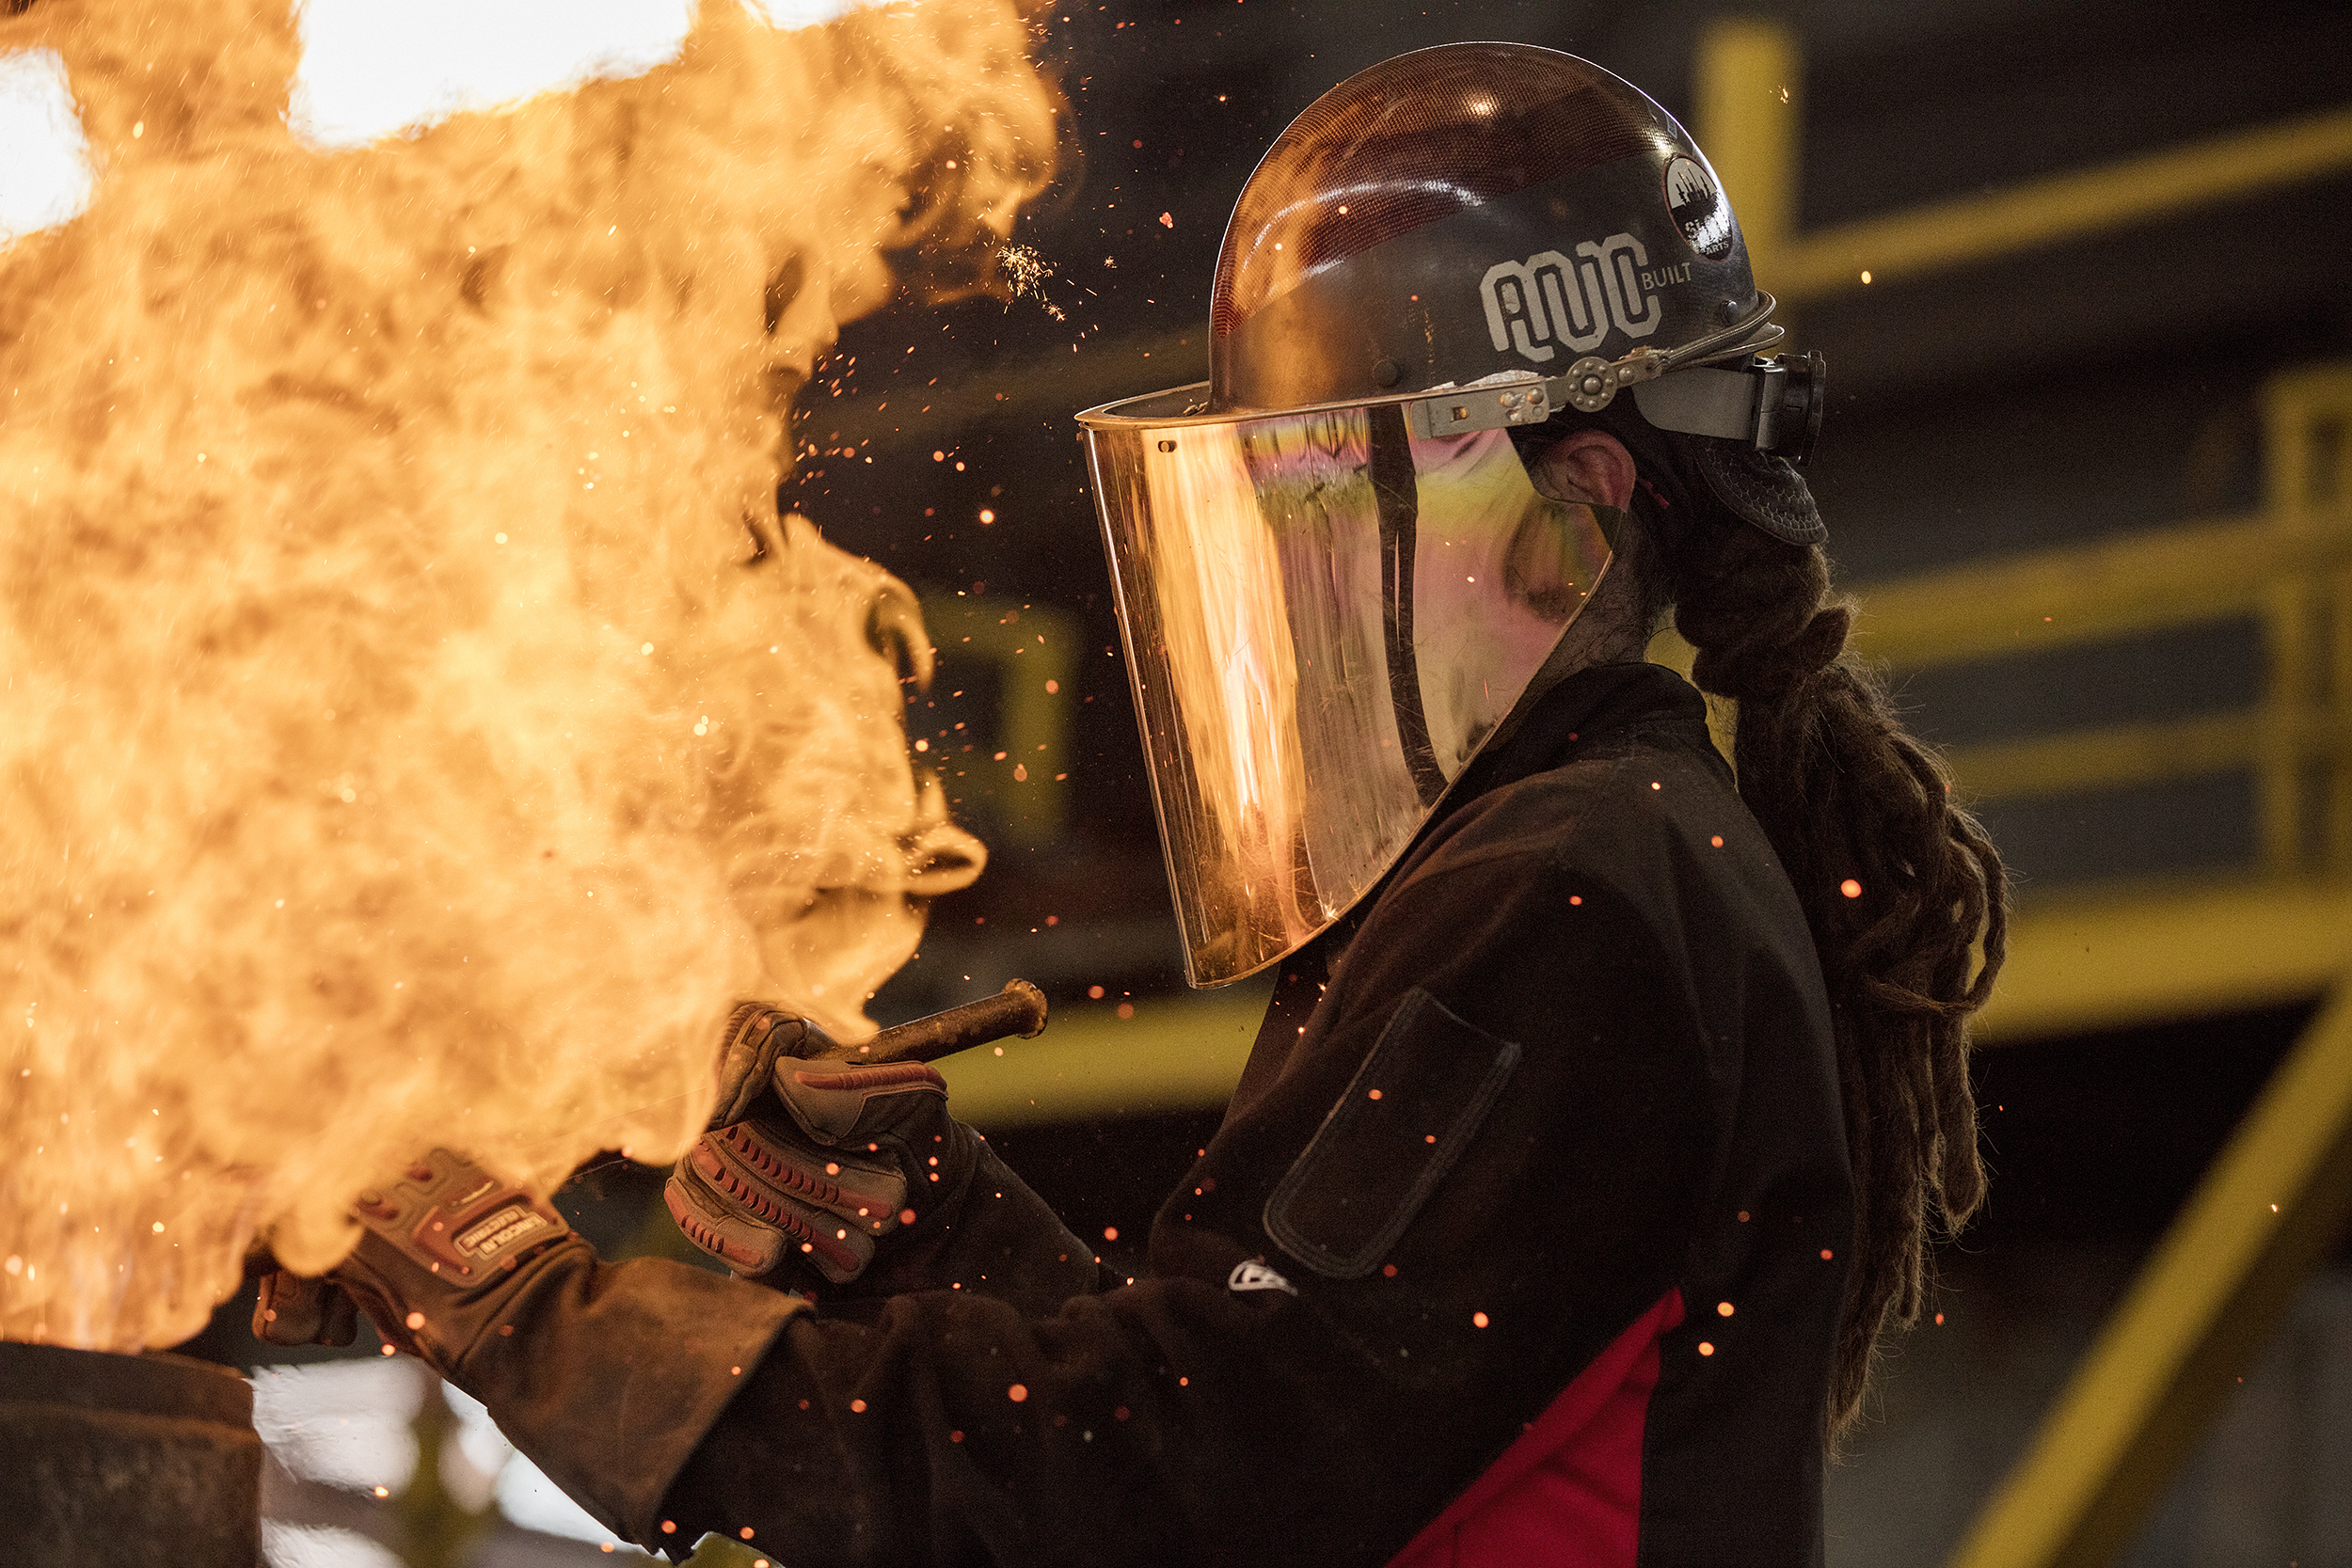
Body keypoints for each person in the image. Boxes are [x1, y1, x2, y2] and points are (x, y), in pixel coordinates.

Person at [257, 43, 2005, 1566]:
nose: (1293, 567)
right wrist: (921, 1229)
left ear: (1581, 496)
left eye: (1333, 496)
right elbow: (1268, 1395)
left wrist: (537, 1319)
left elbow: (1172, 1501)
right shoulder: (1586, 860)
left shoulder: (1582, 885)